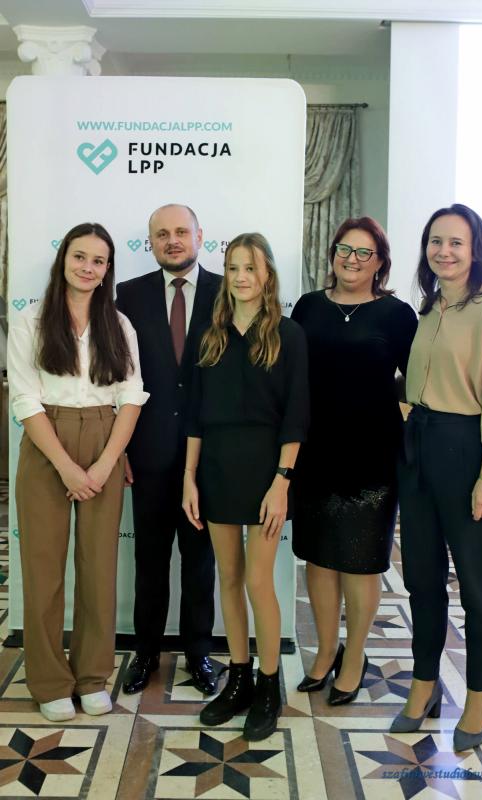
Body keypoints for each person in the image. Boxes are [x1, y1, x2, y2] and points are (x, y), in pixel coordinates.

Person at [391, 204, 482, 751]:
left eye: (455, 243)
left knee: (476, 586)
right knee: (422, 579)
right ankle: (424, 686)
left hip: (469, 453)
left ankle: (477, 696)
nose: (443, 251)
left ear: (476, 251)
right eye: (435, 241)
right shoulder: (431, 307)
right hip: (419, 450)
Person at [8, 222, 148, 722]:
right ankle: (49, 681)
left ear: (108, 270)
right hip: (47, 441)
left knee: (98, 569)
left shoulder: (119, 325)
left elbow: (131, 397)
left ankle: (92, 677)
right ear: (63, 260)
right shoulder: (30, 321)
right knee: (43, 569)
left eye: (98, 261)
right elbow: (25, 400)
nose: (88, 267)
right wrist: (67, 468)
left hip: (106, 441)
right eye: (80, 257)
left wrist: (106, 463)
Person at [183, 232, 309, 741]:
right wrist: (188, 478)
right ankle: (238, 678)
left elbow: (297, 416)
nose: (240, 277)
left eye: (250, 268)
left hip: (266, 473)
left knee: (259, 581)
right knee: (229, 578)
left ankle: (269, 684)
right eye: (233, 267)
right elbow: (194, 415)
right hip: (215, 469)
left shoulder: (289, 334)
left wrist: (282, 482)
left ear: (267, 274)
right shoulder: (208, 334)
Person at [291, 217, 417, 705]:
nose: (352, 259)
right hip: (315, 453)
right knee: (320, 559)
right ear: (332, 254)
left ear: (380, 262)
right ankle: (326, 651)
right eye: (344, 249)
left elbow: (418, 379)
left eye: (365, 252)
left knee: (362, 563)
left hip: (373, 458)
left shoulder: (396, 315)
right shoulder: (308, 306)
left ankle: (355, 656)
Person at [116, 204, 221, 696]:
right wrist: (119, 448)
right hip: (149, 454)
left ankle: (200, 653)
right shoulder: (128, 294)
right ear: (151, 242)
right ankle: (146, 652)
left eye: (181, 231)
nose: (172, 240)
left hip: (210, 456)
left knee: (200, 561)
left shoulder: (228, 291)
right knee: (151, 560)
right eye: (162, 234)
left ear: (200, 235)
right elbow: (116, 375)